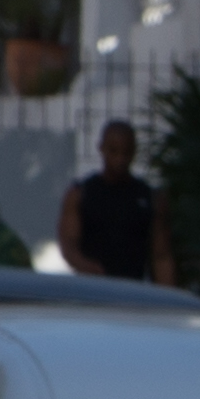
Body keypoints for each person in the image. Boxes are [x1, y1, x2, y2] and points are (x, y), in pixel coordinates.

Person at [56, 119, 174, 287]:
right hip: (91, 290)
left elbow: (161, 256)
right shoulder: (81, 194)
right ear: (102, 148)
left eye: (126, 152)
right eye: (114, 151)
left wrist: (167, 300)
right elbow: (68, 245)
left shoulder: (150, 198)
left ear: (134, 152)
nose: (120, 159)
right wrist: (85, 266)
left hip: (133, 290)